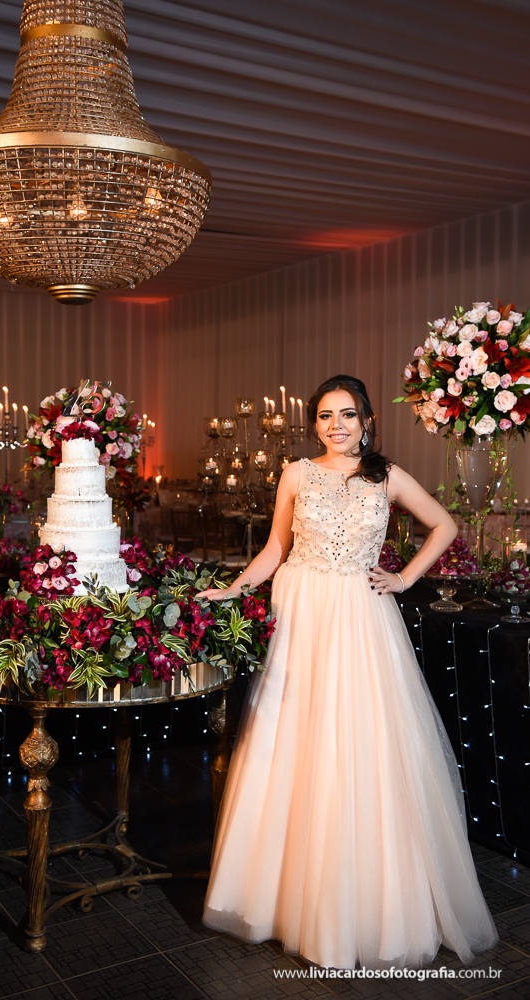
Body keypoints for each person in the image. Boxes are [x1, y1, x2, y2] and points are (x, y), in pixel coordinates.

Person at [197, 374, 498, 970]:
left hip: (360, 615)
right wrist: (234, 589)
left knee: (361, 740)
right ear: (315, 423)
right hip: (301, 609)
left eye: (348, 414)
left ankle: (364, 905)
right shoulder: (296, 473)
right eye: (325, 415)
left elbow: (445, 525)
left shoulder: (388, 477)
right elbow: (275, 548)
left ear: (367, 421)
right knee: (294, 737)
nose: (336, 425)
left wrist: (404, 578)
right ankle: (278, 898)